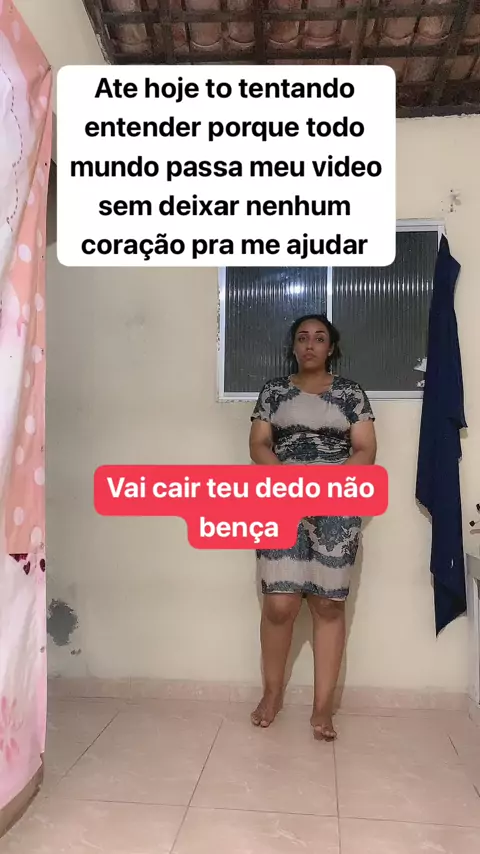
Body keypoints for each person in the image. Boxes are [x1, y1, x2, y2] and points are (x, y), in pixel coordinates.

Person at [248, 314, 377, 740]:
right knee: (279, 605)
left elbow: (365, 450)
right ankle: (272, 694)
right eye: (302, 338)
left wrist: (325, 490)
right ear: (293, 346)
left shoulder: (351, 394)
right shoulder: (273, 392)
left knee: (328, 605)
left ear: (331, 348)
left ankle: (323, 709)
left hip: (337, 506)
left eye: (319, 338)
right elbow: (259, 445)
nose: (310, 345)